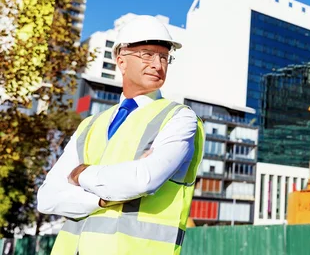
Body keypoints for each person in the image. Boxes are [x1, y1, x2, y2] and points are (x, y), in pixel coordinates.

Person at [37, 15, 205, 255]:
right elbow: (48, 197)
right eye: (147, 54)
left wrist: (82, 174)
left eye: (164, 57)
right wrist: (102, 199)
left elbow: (143, 179)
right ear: (121, 60)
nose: (158, 65)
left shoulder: (179, 118)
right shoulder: (90, 125)